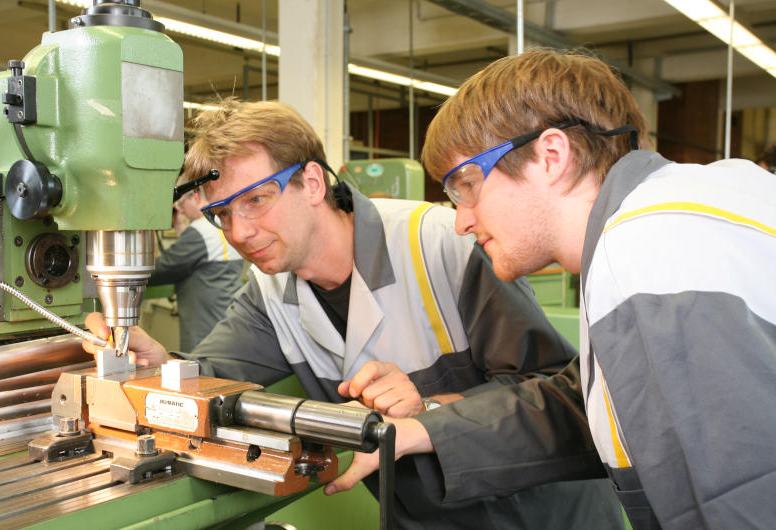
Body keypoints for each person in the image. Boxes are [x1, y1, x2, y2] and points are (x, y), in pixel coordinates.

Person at [85, 98, 624, 529]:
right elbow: (213, 375)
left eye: (256, 200)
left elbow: (559, 396)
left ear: (313, 183)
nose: (240, 232)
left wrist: (431, 405)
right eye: (222, 214)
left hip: (537, 514)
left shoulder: (438, 243)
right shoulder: (271, 290)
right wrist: (160, 364)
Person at [336, 48, 776, 529]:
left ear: (550, 156)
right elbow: (576, 406)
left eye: (466, 185)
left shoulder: (643, 254)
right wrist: (423, 430)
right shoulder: (680, 210)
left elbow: (740, 499)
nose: (461, 220)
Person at [148, 176, 244, 351]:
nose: (181, 211)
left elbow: (163, 269)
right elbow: (197, 255)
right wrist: (180, 229)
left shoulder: (199, 233)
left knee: (199, 373)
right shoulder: (223, 225)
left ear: (196, 196)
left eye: (182, 203)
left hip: (203, 332)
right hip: (227, 325)